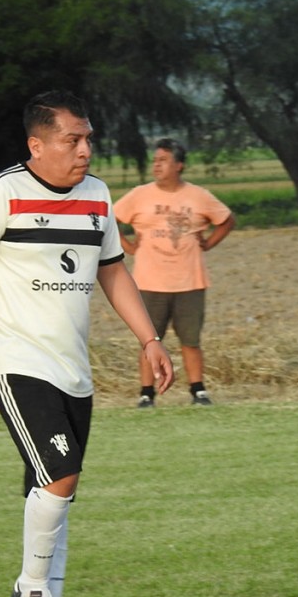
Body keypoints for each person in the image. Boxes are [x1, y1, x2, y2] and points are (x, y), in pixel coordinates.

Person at [0, 90, 175, 597]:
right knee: (60, 473)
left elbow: (113, 272)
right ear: (37, 145)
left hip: (72, 365)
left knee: (54, 488)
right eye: (73, 140)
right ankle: (30, 594)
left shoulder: (97, 195)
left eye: (88, 138)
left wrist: (149, 339)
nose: (85, 150)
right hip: (15, 360)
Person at [113, 138, 236, 407]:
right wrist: (128, 246)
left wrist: (208, 243)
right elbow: (109, 219)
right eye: (155, 160)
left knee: (190, 339)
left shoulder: (199, 196)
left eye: (163, 160)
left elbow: (227, 220)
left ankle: (198, 391)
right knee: (150, 340)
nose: (156, 165)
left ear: (179, 165)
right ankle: (147, 393)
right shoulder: (139, 195)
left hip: (189, 281)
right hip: (149, 282)